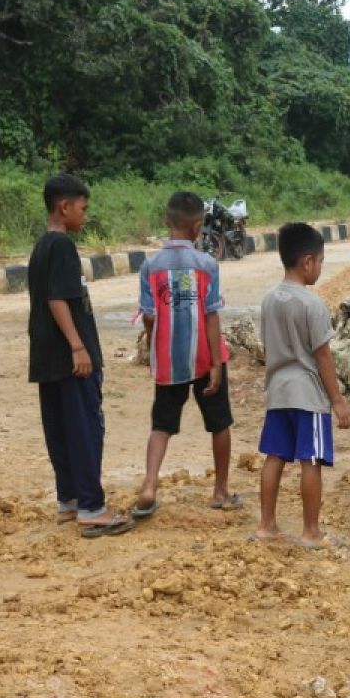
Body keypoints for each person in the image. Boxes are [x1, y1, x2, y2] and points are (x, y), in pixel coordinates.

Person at [28, 174, 131, 537]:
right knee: (85, 428)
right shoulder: (63, 247)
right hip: (70, 357)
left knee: (60, 428)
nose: (85, 216)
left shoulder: (41, 246)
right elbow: (58, 298)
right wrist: (78, 346)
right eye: (83, 209)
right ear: (64, 207)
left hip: (46, 356)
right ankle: (92, 507)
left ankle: (69, 500)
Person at [134, 192, 237, 518]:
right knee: (219, 423)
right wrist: (217, 365)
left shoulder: (150, 266)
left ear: (166, 222)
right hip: (205, 358)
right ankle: (220, 491)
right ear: (198, 227)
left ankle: (150, 484)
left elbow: (148, 315)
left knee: (161, 424)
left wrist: (153, 347)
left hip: (169, 360)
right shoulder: (206, 264)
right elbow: (211, 315)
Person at [255, 223, 350, 547]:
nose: (321, 269)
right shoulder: (312, 305)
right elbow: (323, 356)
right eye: (321, 262)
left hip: (277, 391)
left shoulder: (269, 299)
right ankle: (310, 531)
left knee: (274, 456)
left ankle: (266, 525)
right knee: (310, 460)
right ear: (308, 261)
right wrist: (337, 400)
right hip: (308, 394)